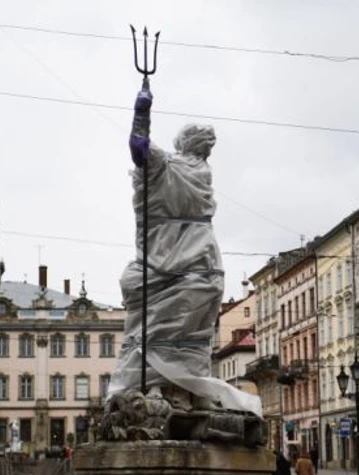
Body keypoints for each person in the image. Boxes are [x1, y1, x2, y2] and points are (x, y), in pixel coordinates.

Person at [108, 83, 261, 417]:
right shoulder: (197, 170)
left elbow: (138, 146)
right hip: (203, 260)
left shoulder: (171, 167)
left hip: (167, 257)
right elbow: (141, 150)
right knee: (193, 327)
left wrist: (141, 111)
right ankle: (187, 386)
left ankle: (176, 386)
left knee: (164, 327)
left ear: (181, 143)